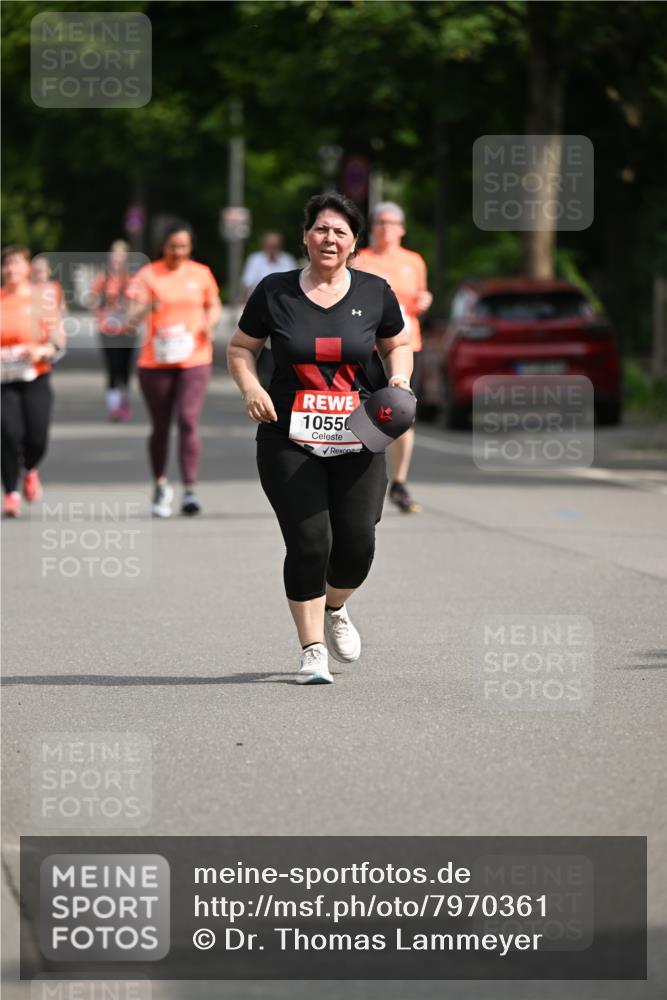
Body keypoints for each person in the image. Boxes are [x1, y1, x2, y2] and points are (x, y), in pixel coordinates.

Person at [227, 193, 412, 685]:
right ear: (305, 236)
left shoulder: (375, 292)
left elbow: (398, 344)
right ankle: (311, 650)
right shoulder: (275, 291)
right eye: (320, 229)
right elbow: (242, 348)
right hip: (288, 432)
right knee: (310, 541)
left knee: (357, 543)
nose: (329, 239)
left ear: (354, 244)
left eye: (340, 232)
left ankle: (336, 606)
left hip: (361, 431)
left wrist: (399, 380)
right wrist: (251, 387)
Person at [126, 222, 222, 518]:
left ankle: (190, 490)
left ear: (190, 247)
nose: (178, 252)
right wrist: (147, 308)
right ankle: (160, 483)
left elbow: (213, 303)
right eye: (172, 246)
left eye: (183, 246)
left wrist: (210, 323)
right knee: (161, 426)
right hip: (156, 362)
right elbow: (130, 318)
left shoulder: (201, 273)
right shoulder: (147, 275)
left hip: (194, 358)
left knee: (188, 420)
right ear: (162, 246)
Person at [353, 201, 432, 513]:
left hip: (406, 347)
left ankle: (398, 483)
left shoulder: (414, 262)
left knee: (402, 416)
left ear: (402, 229)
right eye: (381, 223)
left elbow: (420, 297)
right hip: (367, 349)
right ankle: (362, 479)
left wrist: (425, 302)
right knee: (363, 415)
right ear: (372, 229)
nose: (386, 229)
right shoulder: (360, 260)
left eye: (392, 223)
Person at [1, 246, 64, 517]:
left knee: (37, 437)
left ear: (27, 267)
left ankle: (29, 469)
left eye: (16, 263)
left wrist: (41, 350)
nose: (11, 269)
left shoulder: (42, 301)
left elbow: (58, 340)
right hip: (4, 379)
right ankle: (11, 493)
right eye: (6, 264)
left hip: (35, 375)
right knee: (8, 434)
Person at [90, 240, 137, 421]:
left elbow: (139, 301)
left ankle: (124, 403)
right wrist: (102, 308)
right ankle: (113, 408)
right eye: (114, 257)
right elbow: (92, 300)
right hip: (108, 329)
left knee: (125, 369)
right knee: (112, 367)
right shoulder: (102, 279)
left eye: (120, 257)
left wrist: (128, 308)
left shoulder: (132, 279)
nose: (116, 261)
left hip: (127, 330)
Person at [240, 231, 296, 303]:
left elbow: (293, 285)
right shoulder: (255, 259)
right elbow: (247, 284)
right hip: (258, 301)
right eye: (270, 246)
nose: (272, 249)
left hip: (282, 302)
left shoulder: (288, 260)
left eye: (275, 246)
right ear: (264, 245)